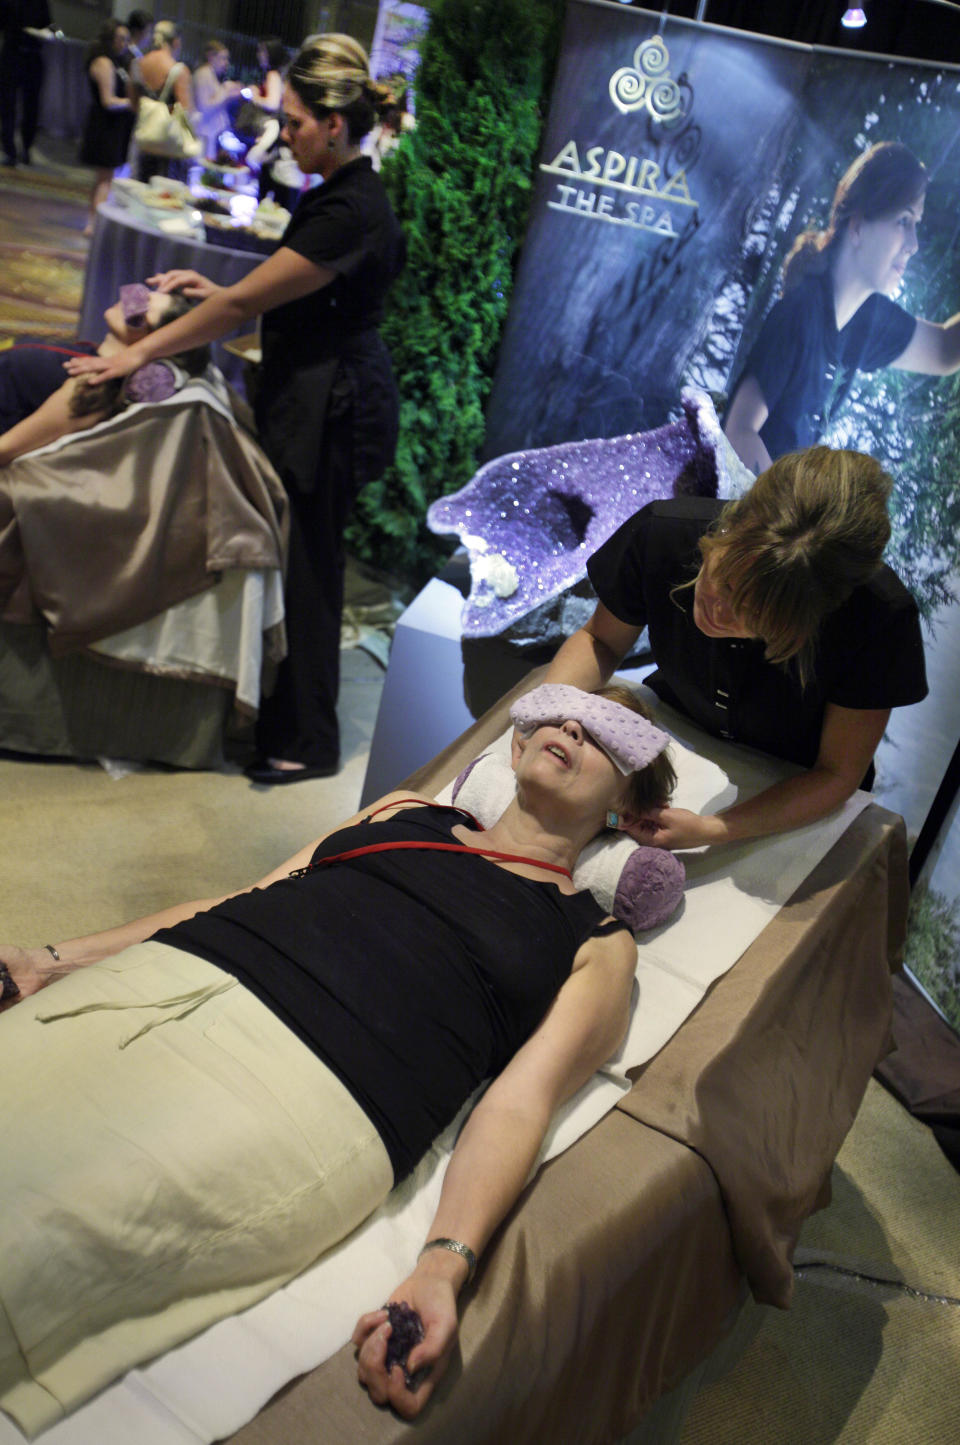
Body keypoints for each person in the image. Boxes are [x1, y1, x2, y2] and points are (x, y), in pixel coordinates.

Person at [0, 683, 675, 1431]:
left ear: (626, 804)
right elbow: (242, 896)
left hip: (307, 1086)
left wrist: (442, 1267)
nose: (574, 723)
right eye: (556, 713)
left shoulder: (595, 941)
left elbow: (521, 1101)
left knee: (42, 1242)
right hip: (176, 977)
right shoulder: (400, 813)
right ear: (514, 745)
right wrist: (50, 960)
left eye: (609, 734)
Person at [65, 34, 407, 784]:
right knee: (304, 561)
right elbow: (267, 297)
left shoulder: (350, 206)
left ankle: (309, 741)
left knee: (312, 568)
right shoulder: (342, 197)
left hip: (334, 407)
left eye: (294, 122)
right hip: (324, 396)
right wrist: (214, 294)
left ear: (335, 124)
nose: (285, 134)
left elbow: (248, 304)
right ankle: (292, 722)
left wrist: (133, 355)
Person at [545, 447, 928, 851]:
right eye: (725, 579)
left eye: (756, 615)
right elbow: (600, 640)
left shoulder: (879, 617)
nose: (720, 611)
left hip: (793, 785)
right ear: (730, 525)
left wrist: (715, 830)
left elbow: (835, 774)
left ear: (816, 616)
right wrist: (547, 715)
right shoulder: (664, 532)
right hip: (676, 729)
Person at [724, 142, 960, 475]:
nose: (914, 244)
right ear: (859, 225)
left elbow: (946, 350)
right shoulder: (799, 313)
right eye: (903, 221)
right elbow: (738, 432)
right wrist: (793, 520)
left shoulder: (868, 320)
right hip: (745, 519)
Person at [0, 285, 208, 467]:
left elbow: (6, 449)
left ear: (156, 341)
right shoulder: (93, 356)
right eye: (144, 294)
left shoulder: (93, 384)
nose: (131, 299)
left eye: (143, 308)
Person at [79, 20, 135, 236]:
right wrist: (133, 104)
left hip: (111, 124)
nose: (124, 43)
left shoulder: (115, 61)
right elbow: (108, 100)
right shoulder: (103, 61)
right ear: (110, 39)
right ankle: (94, 224)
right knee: (105, 178)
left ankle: (94, 222)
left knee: (104, 177)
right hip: (105, 125)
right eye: (121, 38)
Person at [132, 17, 193, 182]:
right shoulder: (178, 70)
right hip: (167, 146)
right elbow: (185, 112)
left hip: (143, 140)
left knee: (140, 187)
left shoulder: (139, 63)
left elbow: (133, 104)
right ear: (176, 42)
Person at [0, 0, 52, 167]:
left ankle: (27, 148)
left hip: (33, 57)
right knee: (7, 104)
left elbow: (48, 25)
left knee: (32, 106)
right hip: (12, 53)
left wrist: (47, 32)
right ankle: (9, 150)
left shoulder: (41, 2)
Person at [192, 37, 241, 158]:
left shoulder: (210, 74)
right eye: (223, 58)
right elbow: (205, 107)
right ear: (211, 57)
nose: (226, 63)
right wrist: (226, 90)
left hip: (211, 135)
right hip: (204, 134)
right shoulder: (204, 73)